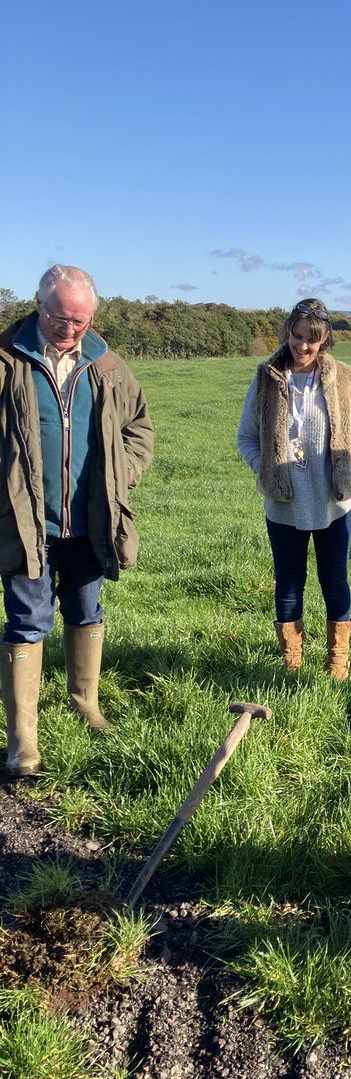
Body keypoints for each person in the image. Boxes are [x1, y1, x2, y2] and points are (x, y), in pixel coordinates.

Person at [0, 265, 155, 777]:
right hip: (24, 522)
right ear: (38, 305)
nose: (70, 330)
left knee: (86, 610)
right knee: (27, 620)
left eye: (81, 321)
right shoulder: (6, 359)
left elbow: (139, 427)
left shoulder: (106, 364)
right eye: (61, 318)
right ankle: (23, 740)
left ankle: (85, 703)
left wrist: (119, 477)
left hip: (92, 520)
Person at [238, 298, 351, 678]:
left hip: (334, 504)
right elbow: (246, 437)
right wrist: (266, 471)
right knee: (289, 583)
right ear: (288, 333)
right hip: (284, 505)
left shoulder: (344, 379)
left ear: (324, 339)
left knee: (335, 581)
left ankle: (337, 661)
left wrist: (350, 471)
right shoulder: (266, 378)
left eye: (311, 339)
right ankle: (291, 664)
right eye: (297, 336)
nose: (303, 346)